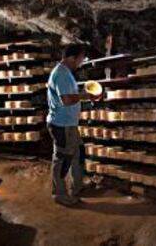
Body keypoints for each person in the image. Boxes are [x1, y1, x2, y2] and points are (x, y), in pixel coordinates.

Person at [47, 44, 100, 206]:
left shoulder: (66, 73)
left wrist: (83, 94)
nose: (81, 63)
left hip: (69, 124)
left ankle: (77, 186)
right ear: (71, 58)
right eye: (80, 59)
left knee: (77, 153)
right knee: (62, 159)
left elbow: (70, 95)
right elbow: (66, 100)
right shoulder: (62, 74)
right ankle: (60, 194)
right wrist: (84, 96)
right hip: (62, 125)